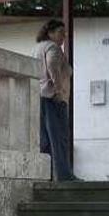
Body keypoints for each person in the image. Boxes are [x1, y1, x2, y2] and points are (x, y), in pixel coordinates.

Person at [35, 19, 80, 182]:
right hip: (53, 98)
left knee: (45, 140)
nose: (64, 36)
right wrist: (59, 90)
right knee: (59, 138)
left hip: (40, 97)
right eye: (61, 32)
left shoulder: (37, 48)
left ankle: (46, 175)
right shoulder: (53, 47)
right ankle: (64, 175)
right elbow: (52, 65)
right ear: (50, 33)